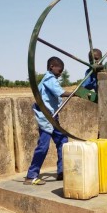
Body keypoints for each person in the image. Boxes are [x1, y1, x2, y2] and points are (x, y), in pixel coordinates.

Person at [25, 56, 74, 185]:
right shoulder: (49, 79)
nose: (60, 73)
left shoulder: (49, 79)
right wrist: (76, 93)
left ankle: (62, 171)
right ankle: (31, 176)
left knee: (63, 141)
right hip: (46, 117)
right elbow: (60, 92)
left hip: (53, 117)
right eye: (60, 70)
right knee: (43, 146)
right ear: (52, 67)